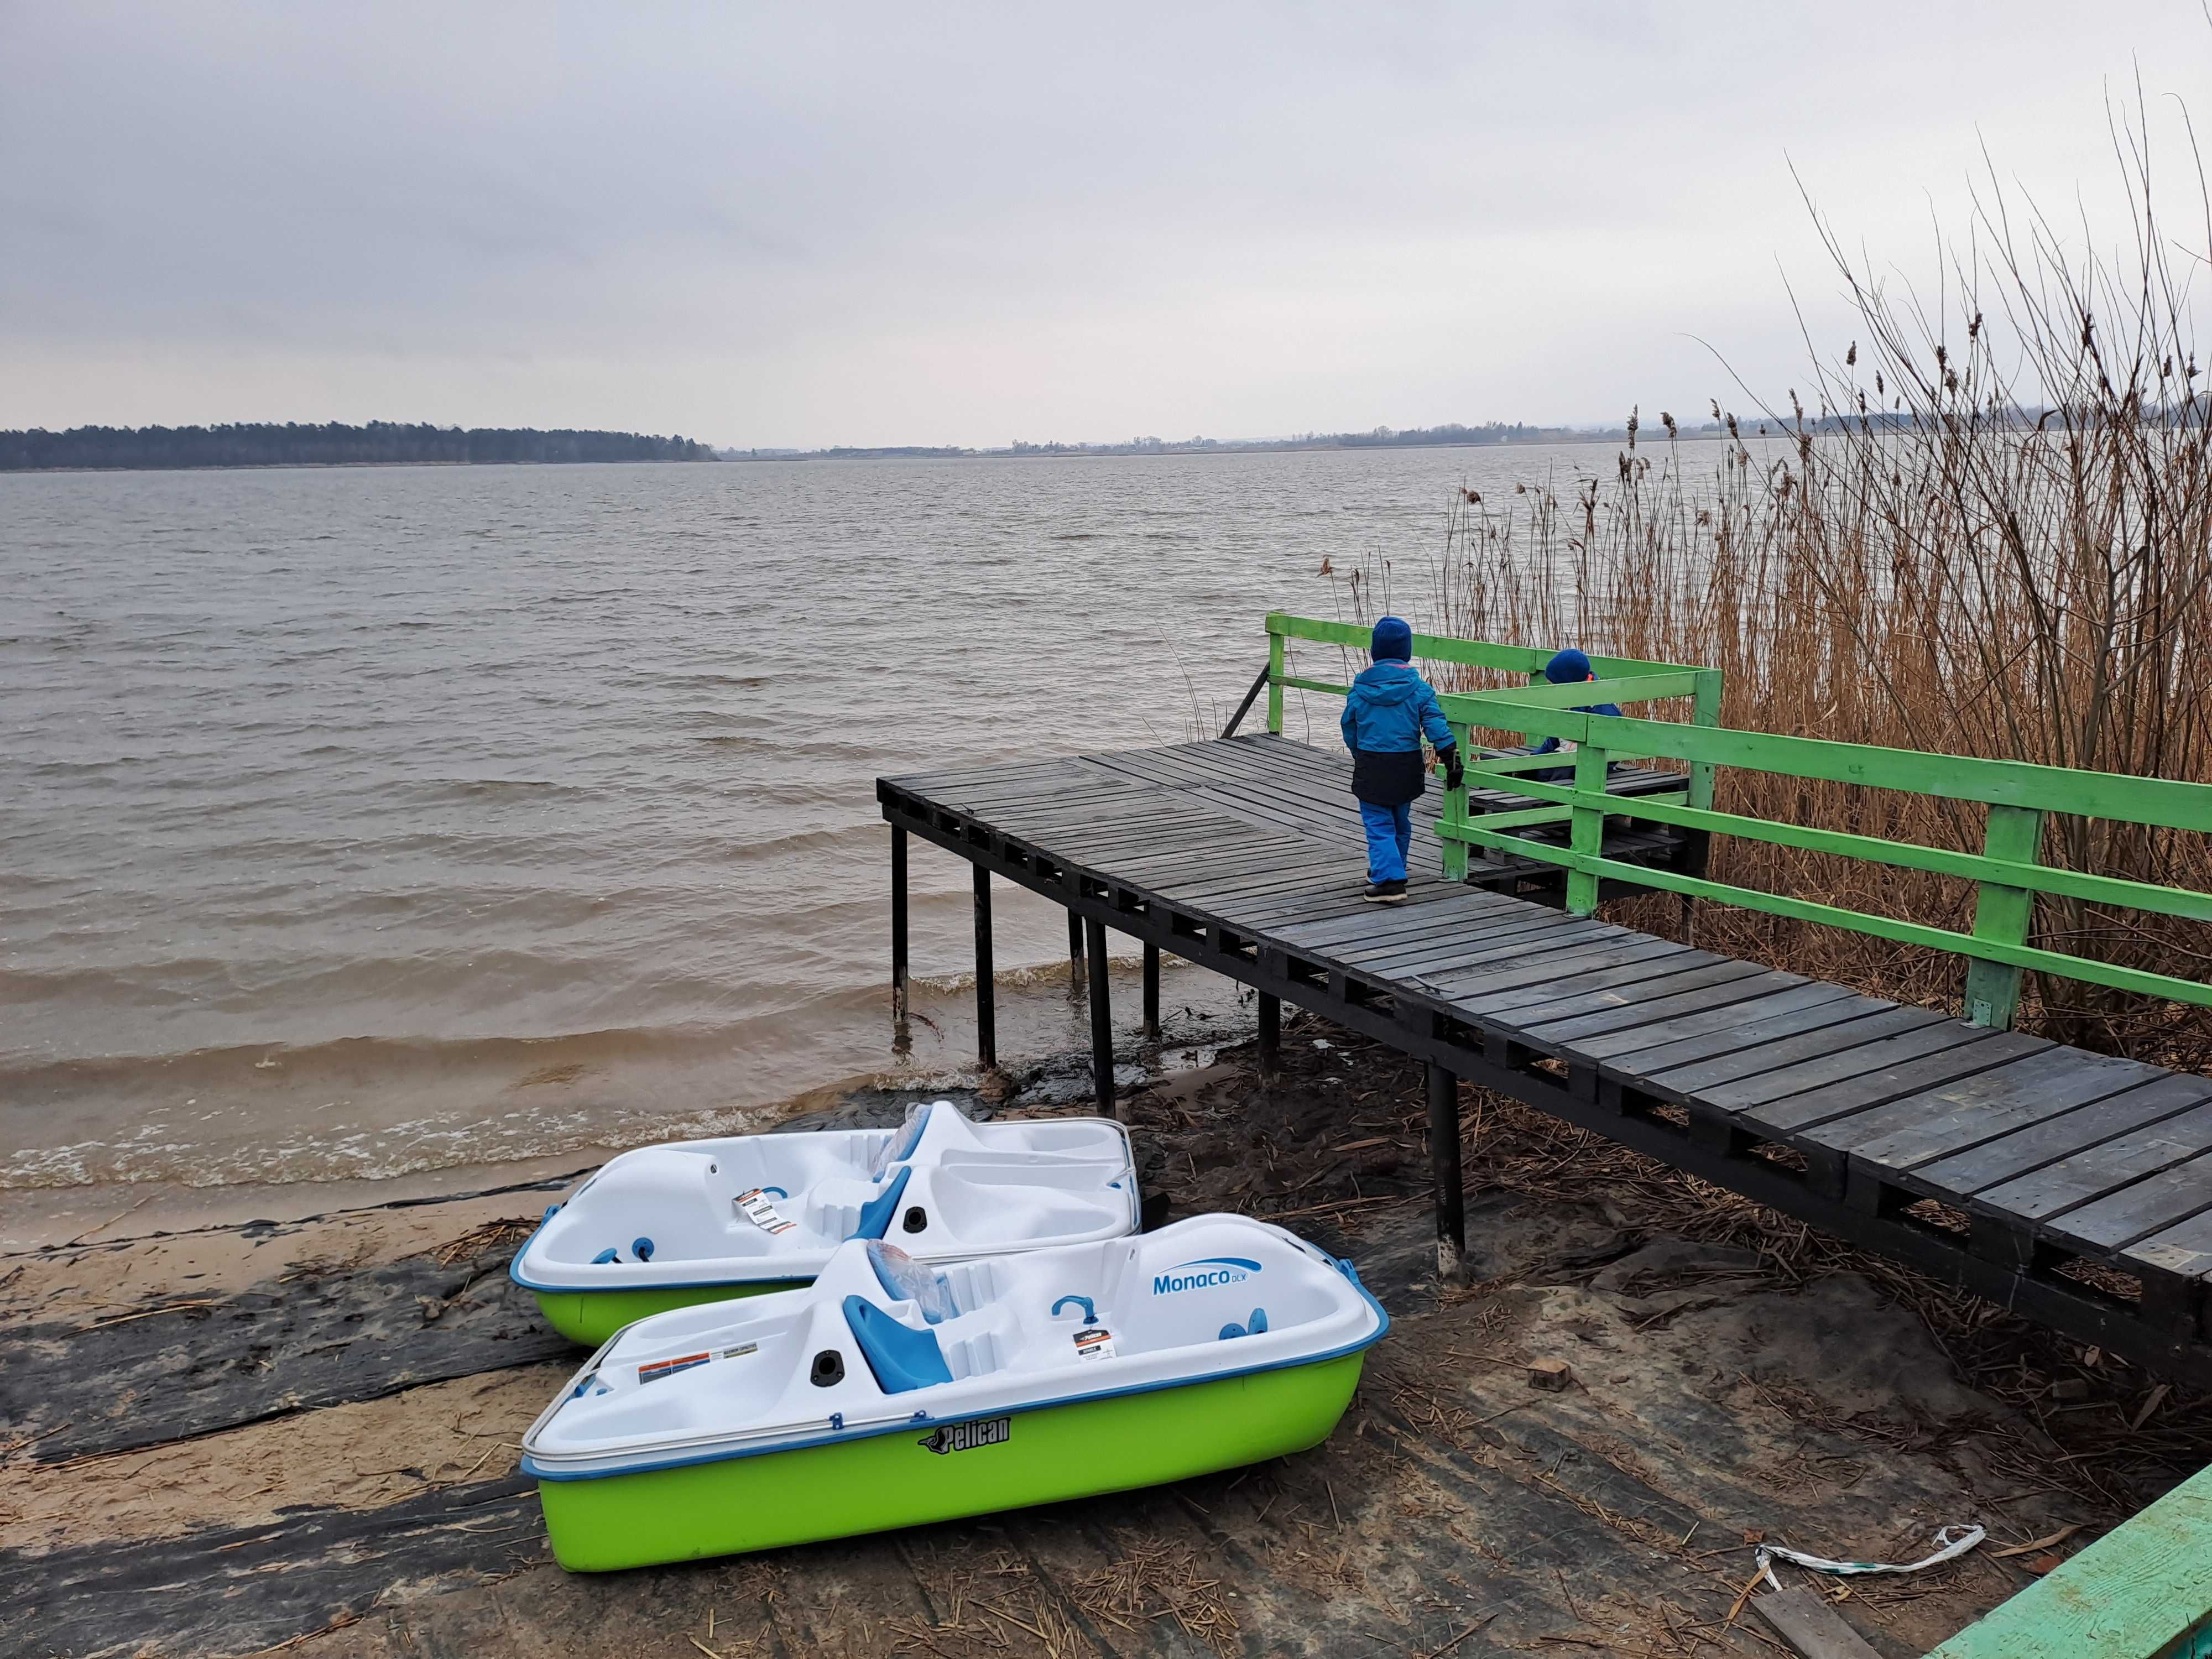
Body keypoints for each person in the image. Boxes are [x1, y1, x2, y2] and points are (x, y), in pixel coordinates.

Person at [1340, 616, 1460, 903]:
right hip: (1406, 763)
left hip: (1373, 763)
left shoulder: (1360, 691)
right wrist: (1450, 755)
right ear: (1407, 651)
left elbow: (1349, 727)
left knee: (1378, 822)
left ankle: (1390, 882)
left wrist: (1359, 753)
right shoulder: (1419, 689)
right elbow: (1435, 723)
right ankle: (1392, 867)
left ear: (1375, 652)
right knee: (1400, 820)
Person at [1529, 648, 1623, 784]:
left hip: (1588, 762)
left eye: (1554, 684)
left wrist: (1595, 765)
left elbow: (1612, 745)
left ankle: (1550, 804)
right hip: (1563, 753)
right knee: (1536, 771)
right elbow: (1555, 736)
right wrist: (1536, 757)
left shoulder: (1601, 706)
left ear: (1568, 684)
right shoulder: (1565, 699)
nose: (1549, 686)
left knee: (1561, 776)